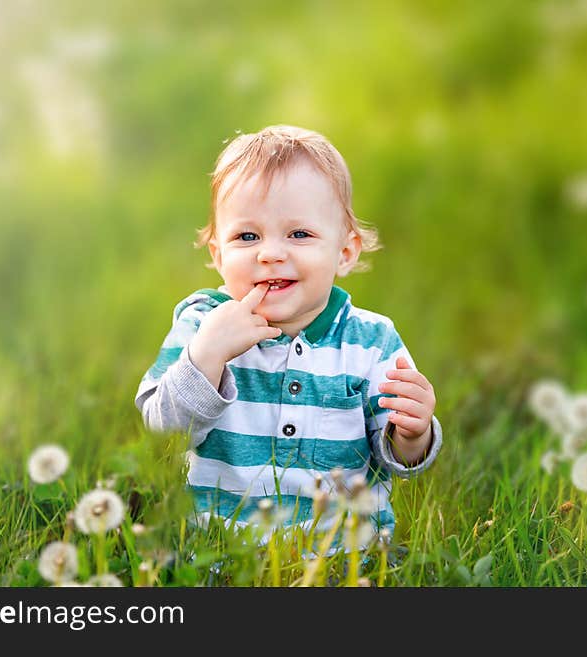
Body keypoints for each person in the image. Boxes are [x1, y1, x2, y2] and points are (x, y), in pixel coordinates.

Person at [134, 125, 442, 540]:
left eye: (299, 234)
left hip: (343, 559)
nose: (271, 253)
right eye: (247, 236)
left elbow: (397, 459)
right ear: (219, 254)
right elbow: (163, 431)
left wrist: (414, 433)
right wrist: (207, 356)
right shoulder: (202, 324)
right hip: (222, 554)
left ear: (344, 252)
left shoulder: (371, 341)